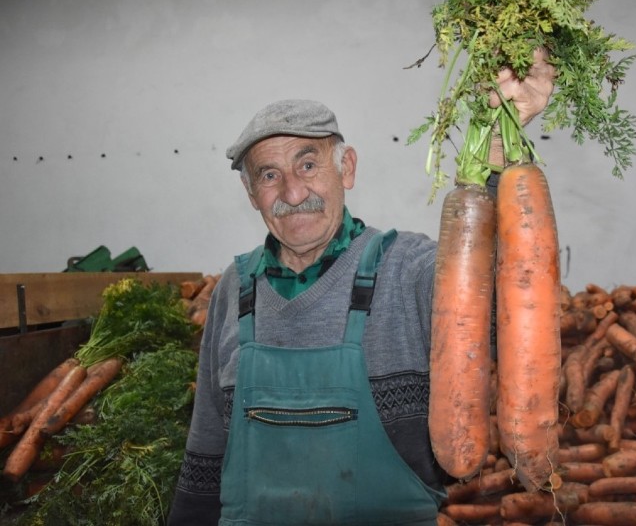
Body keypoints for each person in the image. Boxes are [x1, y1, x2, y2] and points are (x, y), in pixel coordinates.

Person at [168, 51, 556, 526]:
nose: (292, 193)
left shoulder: (407, 268)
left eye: (308, 165)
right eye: (270, 175)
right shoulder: (235, 287)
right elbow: (206, 446)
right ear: (252, 195)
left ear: (346, 168)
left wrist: (496, 154)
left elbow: (504, 308)